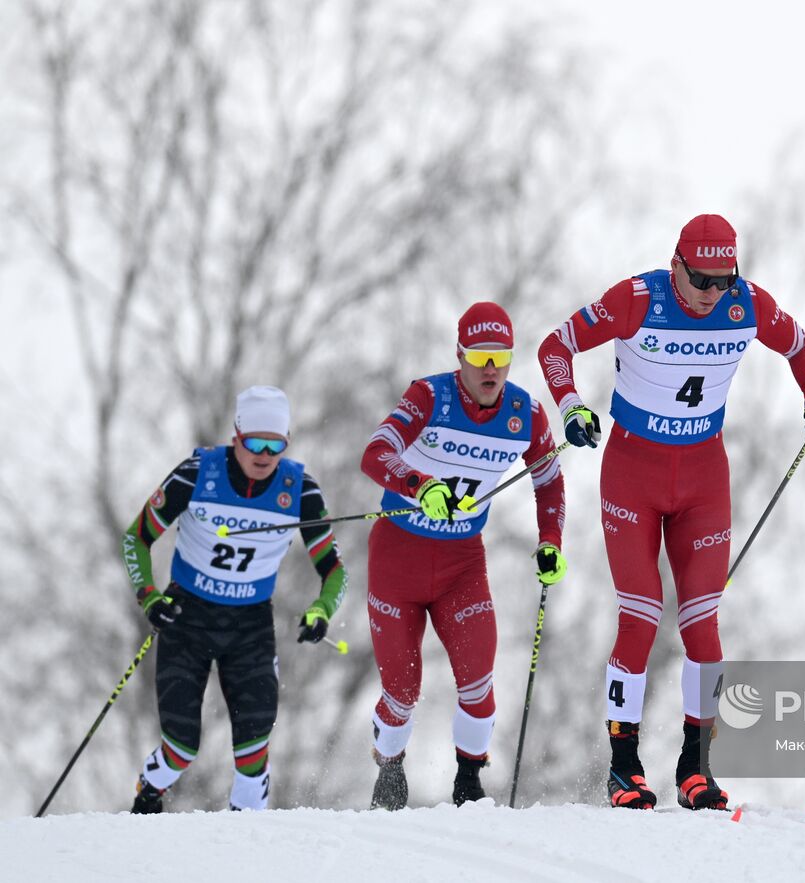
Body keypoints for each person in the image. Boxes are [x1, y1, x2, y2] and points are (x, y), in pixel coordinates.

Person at [536, 214, 805, 810]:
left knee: (703, 625)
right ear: (676, 264)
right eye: (700, 279)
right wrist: (570, 406)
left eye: (724, 281)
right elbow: (555, 346)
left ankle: (696, 768)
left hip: (703, 478)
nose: (711, 293)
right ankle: (625, 768)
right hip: (633, 472)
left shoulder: (745, 304)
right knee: (641, 616)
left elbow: (801, 347)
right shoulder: (637, 298)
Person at [360, 301, 566, 810]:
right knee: (402, 693)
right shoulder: (429, 396)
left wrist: (550, 543)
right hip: (397, 558)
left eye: (501, 355)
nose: (491, 368)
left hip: (461, 566)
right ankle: (389, 764)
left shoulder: (525, 414)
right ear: (460, 356)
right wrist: (419, 484)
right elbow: (374, 453)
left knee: (478, 677)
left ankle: (469, 783)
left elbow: (549, 481)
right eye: (479, 356)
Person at [123, 386, 348, 813]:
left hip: (250, 627)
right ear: (236, 436)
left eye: (276, 445)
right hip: (186, 617)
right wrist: (149, 597)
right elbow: (136, 537)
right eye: (255, 443)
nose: (264, 455)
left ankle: (246, 840)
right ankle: (151, 786)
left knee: (253, 744)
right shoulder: (196, 474)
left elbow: (335, 570)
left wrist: (322, 609)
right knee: (181, 747)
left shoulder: (299, 488)